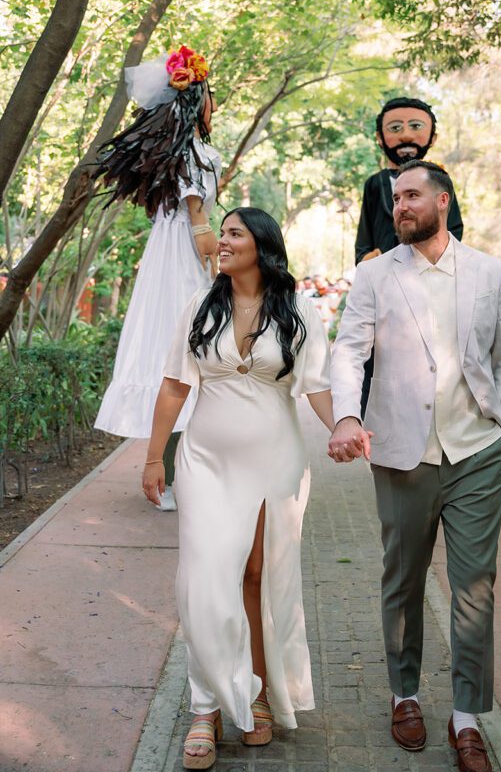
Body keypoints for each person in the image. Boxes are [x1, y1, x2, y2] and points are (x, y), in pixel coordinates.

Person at [329, 160, 501, 772]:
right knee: (404, 577)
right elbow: (348, 351)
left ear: (443, 201)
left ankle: (467, 718)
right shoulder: (376, 276)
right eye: (396, 198)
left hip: (477, 452)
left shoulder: (489, 272)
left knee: (474, 586)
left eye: (413, 196)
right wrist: (344, 418)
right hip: (402, 452)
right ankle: (404, 694)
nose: (401, 207)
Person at [142, 207, 334, 770]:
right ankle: (206, 706)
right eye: (220, 232)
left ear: (261, 245)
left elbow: (317, 387)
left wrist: (344, 427)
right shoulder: (201, 308)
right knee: (203, 577)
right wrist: (155, 458)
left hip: (275, 460)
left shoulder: (299, 310)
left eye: (232, 234)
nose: (219, 241)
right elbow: (175, 387)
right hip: (206, 460)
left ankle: (255, 693)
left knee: (256, 577)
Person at [94, 45, 221, 511]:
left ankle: (170, 474)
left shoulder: (177, 151)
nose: (213, 104)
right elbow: (196, 209)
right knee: (186, 351)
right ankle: (169, 476)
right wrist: (210, 244)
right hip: (183, 255)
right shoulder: (198, 152)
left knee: (176, 354)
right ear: (193, 100)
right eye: (209, 95)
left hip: (167, 253)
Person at [355, 96, 463, 264]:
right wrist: (365, 258)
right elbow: (364, 235)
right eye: (395, 128)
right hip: (385, 270)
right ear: (380, 138)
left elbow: (454, 227)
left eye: (416, 126)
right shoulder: (374, 184)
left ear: (433, 138)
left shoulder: (440, 179)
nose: (406, 135)